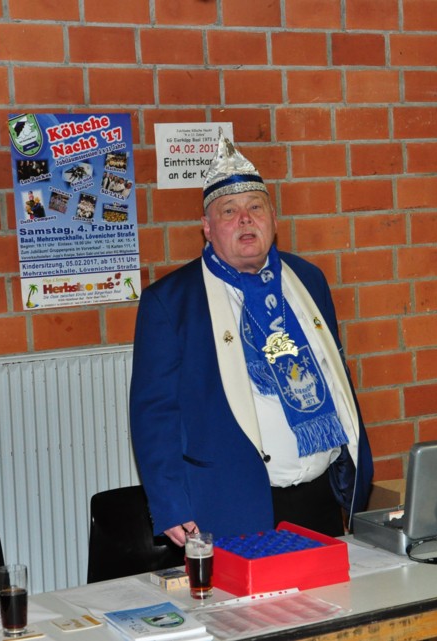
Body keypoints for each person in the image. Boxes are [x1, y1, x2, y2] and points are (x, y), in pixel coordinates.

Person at [130, 133, 374, 546]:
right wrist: (170, 503)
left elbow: (335, 375)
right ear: (207, 228)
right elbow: (154, 413)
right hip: (232, 505)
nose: (246, 219)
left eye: (255, 207)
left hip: (320, 500)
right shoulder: (171, 302)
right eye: (229, 211)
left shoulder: (308, 280)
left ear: (273, 220)